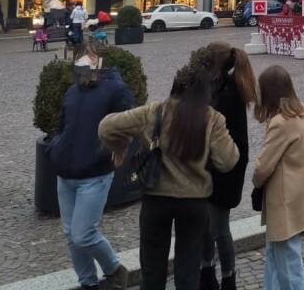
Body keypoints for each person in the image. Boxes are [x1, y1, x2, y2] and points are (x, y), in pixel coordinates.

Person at [99, 67, 239, 290]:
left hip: (156, 199)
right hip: (194, 203)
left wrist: (120, 147)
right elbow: (228, 160)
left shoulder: (155, 111)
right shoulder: (212, 119)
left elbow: (106, 127)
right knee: (188, 272)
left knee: (152, 272)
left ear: (174, 87)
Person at [48, 44, 134, 290]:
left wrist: (113, 149)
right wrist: (57, 147)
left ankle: (113, 268)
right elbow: (63, 125)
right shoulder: (72, 91)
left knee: (83, 233)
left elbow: (128, 123)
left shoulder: (116, 89)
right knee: (70, 235)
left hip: (94, 173)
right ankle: (87, 282)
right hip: (65, 171)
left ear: (99, 62)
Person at [252, 66, 304, 290]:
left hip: (284, 199)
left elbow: (263, 167)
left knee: (287, 261)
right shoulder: (301, 110)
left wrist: (256, 181)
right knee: (276, 254)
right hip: (298, 192)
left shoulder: (281, 122)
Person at [197, 43, 258, 290]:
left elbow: (211, 128)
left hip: (225, 166)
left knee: (219, 227)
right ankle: (207, 271)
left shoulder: (227, 93)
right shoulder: (221, 86)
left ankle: (227, 278)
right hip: (213, 165)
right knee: (205, 224)